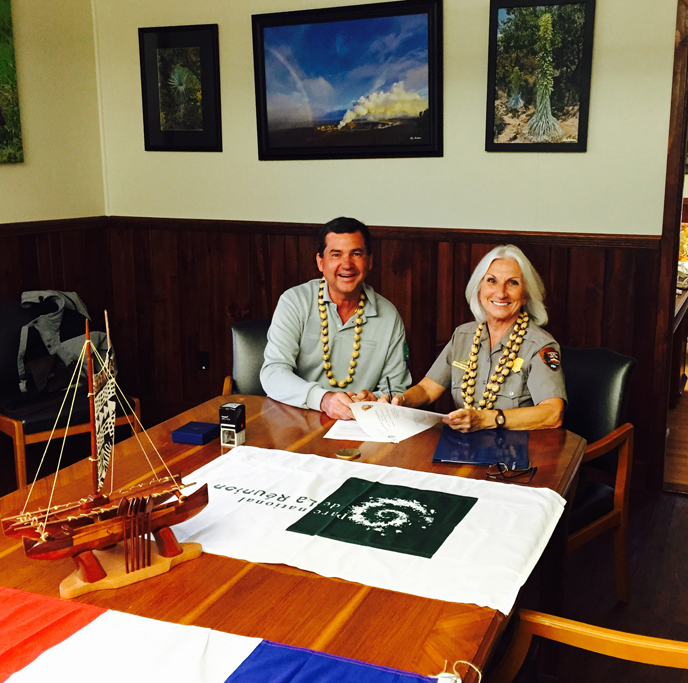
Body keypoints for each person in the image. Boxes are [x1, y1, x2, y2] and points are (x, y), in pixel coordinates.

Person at [385, 244, 565, 433]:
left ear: (525, 295)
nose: (501, 292)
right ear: (479, 292)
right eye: (491, 281)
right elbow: (427, 389)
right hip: (463, 445)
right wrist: (400, 401)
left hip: (517, 452)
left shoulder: (540, 345)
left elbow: (553, 413)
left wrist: (486, 419)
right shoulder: (463, 336)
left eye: (513, 283)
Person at [260, 217, 411, 420]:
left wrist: (374, 400)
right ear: (321, 262)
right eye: (336, 254)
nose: (346, 264)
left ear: (369, 261)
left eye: (356, 254)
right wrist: (324, 400)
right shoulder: (294, 301)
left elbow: (396, 390)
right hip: (296, 421)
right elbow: (273, 373)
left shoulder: (389, 316)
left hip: (360, 427)